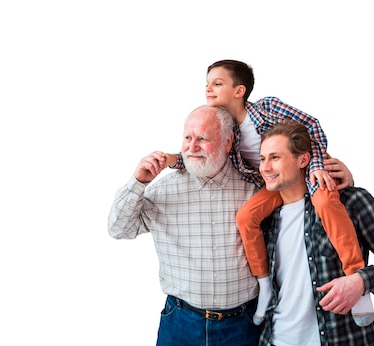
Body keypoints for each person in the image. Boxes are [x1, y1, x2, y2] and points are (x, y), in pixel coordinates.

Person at [166, 59, 372, 326]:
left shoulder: (267, 108)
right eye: (206, 84)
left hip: (308, 170)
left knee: (325, 203)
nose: (208, 89)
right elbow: (207, 153)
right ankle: (264, 286)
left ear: (239, 91)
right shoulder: (228, 129)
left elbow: (312, 126)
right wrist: (174, 159)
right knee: (245, 217)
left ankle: (358, 281)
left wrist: (317, 166)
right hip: (274, 183)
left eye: (217, 84)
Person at [108, 105, 261, 345]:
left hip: (243, 325)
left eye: (203, 138)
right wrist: (137, 182)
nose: (192, 147)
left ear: (228, 141)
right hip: (181, 323)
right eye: (188, 137)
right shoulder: (161, 189)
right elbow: (118, 229)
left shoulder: (253, 187)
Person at [257, 121, 374, 345]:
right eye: (262, 159)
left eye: (275, 158)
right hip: (275, 340)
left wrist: (360, 281)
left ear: (303, 160)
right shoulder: (264, 218)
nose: (265, 167)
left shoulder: (351, 201)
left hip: (342, 339)